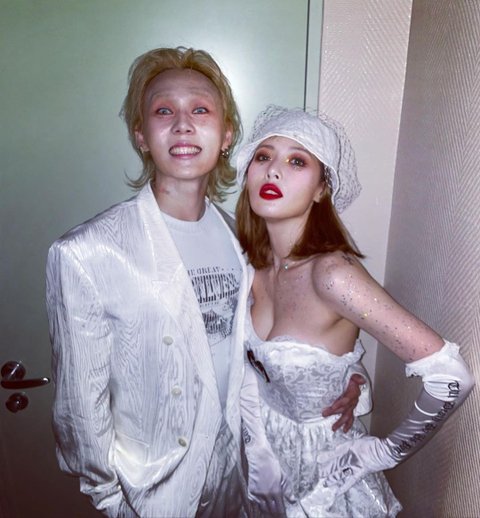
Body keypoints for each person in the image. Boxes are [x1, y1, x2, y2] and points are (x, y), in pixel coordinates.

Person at [46, 49, 365, 518]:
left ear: (227, 135)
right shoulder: (87, 253)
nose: (182, 124)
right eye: (163, 111)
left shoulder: (242, 245)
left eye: (200, 109)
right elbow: (79, 407)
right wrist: (111, 500)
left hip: (236, 480)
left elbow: (275, 340)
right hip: (148, 495)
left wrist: (349, 377)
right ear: (140, 135)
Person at [235, 105, 475, 517]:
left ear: (321, 189)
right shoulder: (250, 266)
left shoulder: (332, 275)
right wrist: (353, 377)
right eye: (263, 156)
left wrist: (381, 453)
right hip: (264, 466)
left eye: (297, 161)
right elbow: (312, 355)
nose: (273, 171)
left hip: (327, 485)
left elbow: (453, 378)